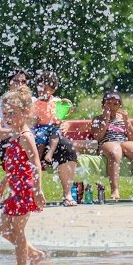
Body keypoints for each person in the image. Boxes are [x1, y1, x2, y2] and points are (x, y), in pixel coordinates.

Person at [0, 88, 48, 265]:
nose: (8, 118)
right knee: (3, 228)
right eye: (5, 113)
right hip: (16, 189)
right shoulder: (15, 135)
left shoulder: (25, 136)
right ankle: (34, 254)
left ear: (25, 112)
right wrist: (4, 182)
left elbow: (36, 163)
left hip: (26, 190)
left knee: (18, 231)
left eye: (12, 113)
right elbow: (16, 166)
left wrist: (38, 190)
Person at [89, 91, 133, 202]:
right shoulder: (98, 119)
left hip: (123, 142)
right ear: (103, 105)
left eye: (115, 104)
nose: (111, 107)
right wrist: (106, 119)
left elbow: (132, 137)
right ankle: (115, 189)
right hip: (107, 142)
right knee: (114, 153)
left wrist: (127, 121)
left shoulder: (122, 118)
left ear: (119, 106)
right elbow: (98, 137)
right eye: (108, 103)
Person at [31, 70, 79, 205]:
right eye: (39, 87)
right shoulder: (34, 102)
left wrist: (65, 121)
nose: (41, 91)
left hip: (52, 129)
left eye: (45, 88)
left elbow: (63, 115)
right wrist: (33, 121)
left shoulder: (57, 102)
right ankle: (39, 161)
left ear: (53, 90)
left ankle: (67, 193)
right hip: (39, 131)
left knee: (63, 143)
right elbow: (29, 121)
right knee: (39, 140)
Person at [0, 69, 30, 205]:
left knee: (65, 147)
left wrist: (63, 124)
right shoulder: (0, 103)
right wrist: (15, 133)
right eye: (16, 81)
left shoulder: (32, 101)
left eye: (23, 81)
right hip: (9, 142)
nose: (20, 84)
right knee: (18, 148)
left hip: (35, 142)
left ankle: (67, 194)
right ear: (9, 83)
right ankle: (16, 193)